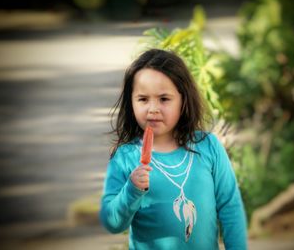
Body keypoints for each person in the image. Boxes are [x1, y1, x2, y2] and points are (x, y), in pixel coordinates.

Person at [100, 48, 247, 249]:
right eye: (143, 99)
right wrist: (131, 190)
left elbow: (230, 208)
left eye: (164, 99)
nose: (153, 108)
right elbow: (112, 222)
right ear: (131, 102)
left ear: (183, 101)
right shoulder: (125, 157)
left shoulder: (208, 146)